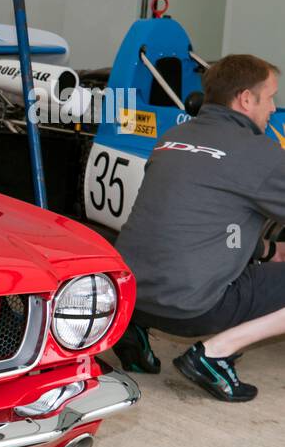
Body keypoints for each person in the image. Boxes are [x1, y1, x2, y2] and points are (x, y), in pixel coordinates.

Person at [114, 54, 285, 402]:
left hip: (128, 295)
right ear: (246, 99)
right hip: (191, 309)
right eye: (270, 97)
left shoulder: (173, 136)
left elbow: (198, 223)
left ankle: (133, 332)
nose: (273, 108)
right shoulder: (258, 152)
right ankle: (214, 354)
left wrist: (269, 250)